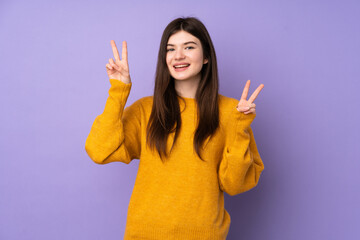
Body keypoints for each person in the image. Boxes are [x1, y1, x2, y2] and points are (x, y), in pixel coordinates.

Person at [85, 17, 264, 240]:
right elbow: (99, 151)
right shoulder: (146, 109)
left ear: (206, 56)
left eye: (189, 47)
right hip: (144, 234)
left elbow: (235, 184)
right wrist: (119, 90)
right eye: (171, 49)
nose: (178, 55)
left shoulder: (231, 112)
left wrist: (240, 129)